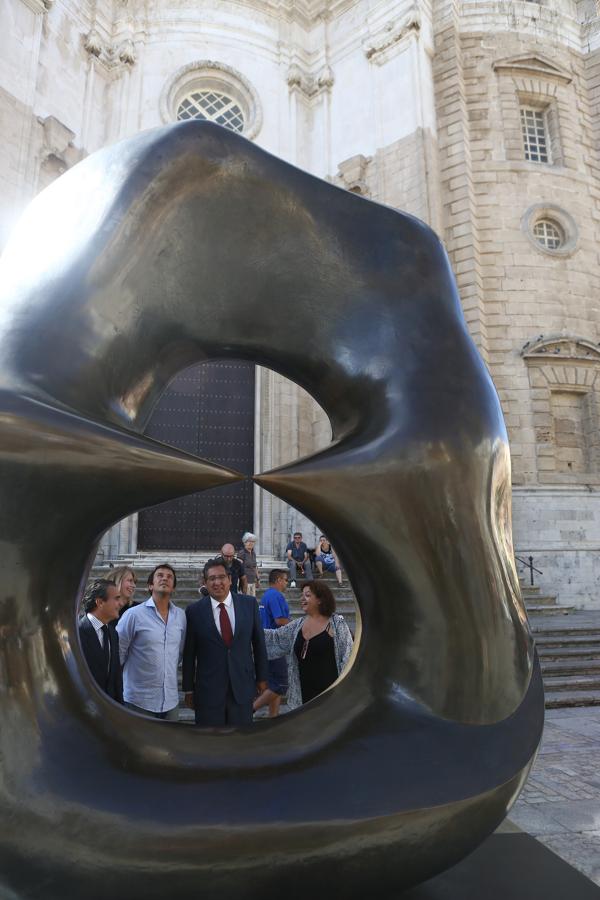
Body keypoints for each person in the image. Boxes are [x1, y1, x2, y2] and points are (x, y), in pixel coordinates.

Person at [182, 557, 268, 726]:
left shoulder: (249, 604)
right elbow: (189, 653)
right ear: (205, 583)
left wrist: (262, 677)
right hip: (208, 691)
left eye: (221, 577)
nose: (217, 582)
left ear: (230, 579)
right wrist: (188, 688)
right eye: (212, 578)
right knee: (211, 744)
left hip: (242, 687)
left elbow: (259, 644)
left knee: (240, 742)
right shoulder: (194, 611)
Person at [263, 580, 353, 710]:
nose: (302, 598)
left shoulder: (337, 624)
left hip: (330, 699)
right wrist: (250, 630)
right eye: (302, 595)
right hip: (303, 697)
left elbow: (347, 658)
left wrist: (343, 695)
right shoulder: (298, 624)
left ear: (320, 599)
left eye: (308, 595)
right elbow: (276, 638)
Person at [116, 563, 186, 721]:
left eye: (169, 577)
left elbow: (179, 652)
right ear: (150, 585)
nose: (165, 579)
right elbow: (119, 652)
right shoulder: (133, 615)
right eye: (160, 575)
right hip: (138, 702)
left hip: (170, 702)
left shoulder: (181, 616)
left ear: (173, 588)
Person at [78, 579, 123, 703]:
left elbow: (116, 677)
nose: (120, 603)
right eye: (116, 598)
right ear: (100, 602)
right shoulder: (77, 633)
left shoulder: (113, 633)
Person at [254, 569, 290, 717]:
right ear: (279, 580)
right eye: (286, 580)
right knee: (281, 684)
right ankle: (250, 709)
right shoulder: (276, 596)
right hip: (274, 645)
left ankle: (273, 717)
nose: (287, 583)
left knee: (273, 684)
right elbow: (279, 620)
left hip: (265, 643)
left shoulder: (266, 595)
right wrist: (297, 625)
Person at [237, 532, 260, 597]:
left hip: (252, 581)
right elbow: (238, 568)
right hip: (245, 581)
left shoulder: (253, 553)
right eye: (248, 541)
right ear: (244, 542)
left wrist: (258, 579)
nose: (251, 543)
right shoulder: (242, 553)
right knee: (245, 599)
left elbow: (255, 567)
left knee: (252, 599)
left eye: (253, 541)